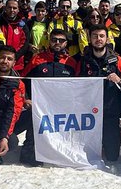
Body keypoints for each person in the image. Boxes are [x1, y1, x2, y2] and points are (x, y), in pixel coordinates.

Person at [21, 30, 80, 166]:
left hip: (61, 109)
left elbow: (78, 85)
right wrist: (26, 98)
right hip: (40, 108)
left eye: (61, 40)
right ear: (49, 40)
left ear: (66, 43)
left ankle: (60, 153)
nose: (57, 43)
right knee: (33, 139)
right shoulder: (37, 58)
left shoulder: (71, 62)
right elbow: (22, 80)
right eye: (54, 39)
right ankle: (31, 155)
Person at [78, 26, 121, 163]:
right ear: (90, 39)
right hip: (89, 111)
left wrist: (119, 80)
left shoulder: (116, 59)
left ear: (107, 38)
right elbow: (75, 83)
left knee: (112, 156)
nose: (98, 39)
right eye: (95, 36)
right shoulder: (84, 59)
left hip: (110, 109)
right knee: (88, 155)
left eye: (101, 36)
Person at [0, 45, 26, 162]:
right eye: (2, 58)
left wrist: (5, 137)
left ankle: (29, 153)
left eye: (9, 59)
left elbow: (12, 112)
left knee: (12, 141)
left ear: (14, 63)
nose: (5, 61)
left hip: (1, 122)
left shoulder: (18, 84)